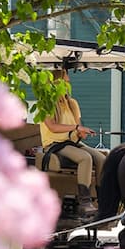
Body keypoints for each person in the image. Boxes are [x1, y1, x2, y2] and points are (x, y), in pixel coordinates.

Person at [39, 69, 106, 217]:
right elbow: (53, 127)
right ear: (55, 83)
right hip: (55, 144)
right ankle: (85, 202)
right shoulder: (46, 103)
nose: (69, 83)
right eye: (65, 81)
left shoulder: (72, 103)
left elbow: (78, 127)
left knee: (102, 158)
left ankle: (103, 200)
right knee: (85, 158)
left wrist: (81, 132)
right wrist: (76, 128)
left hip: (71, 142)